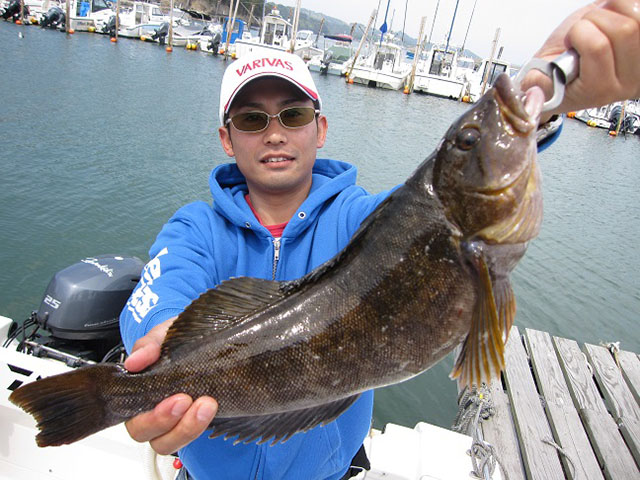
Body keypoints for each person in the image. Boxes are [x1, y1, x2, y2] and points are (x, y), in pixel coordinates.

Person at [119, 1, 640, 478]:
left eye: (293, 115)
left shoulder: (366, 219)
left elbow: (433, 201)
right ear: (226, 139)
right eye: (252, 119)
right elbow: (161, 291)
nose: (274, 133)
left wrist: (541, 102)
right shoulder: (196, 227)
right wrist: (156, 338)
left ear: (320, 129)